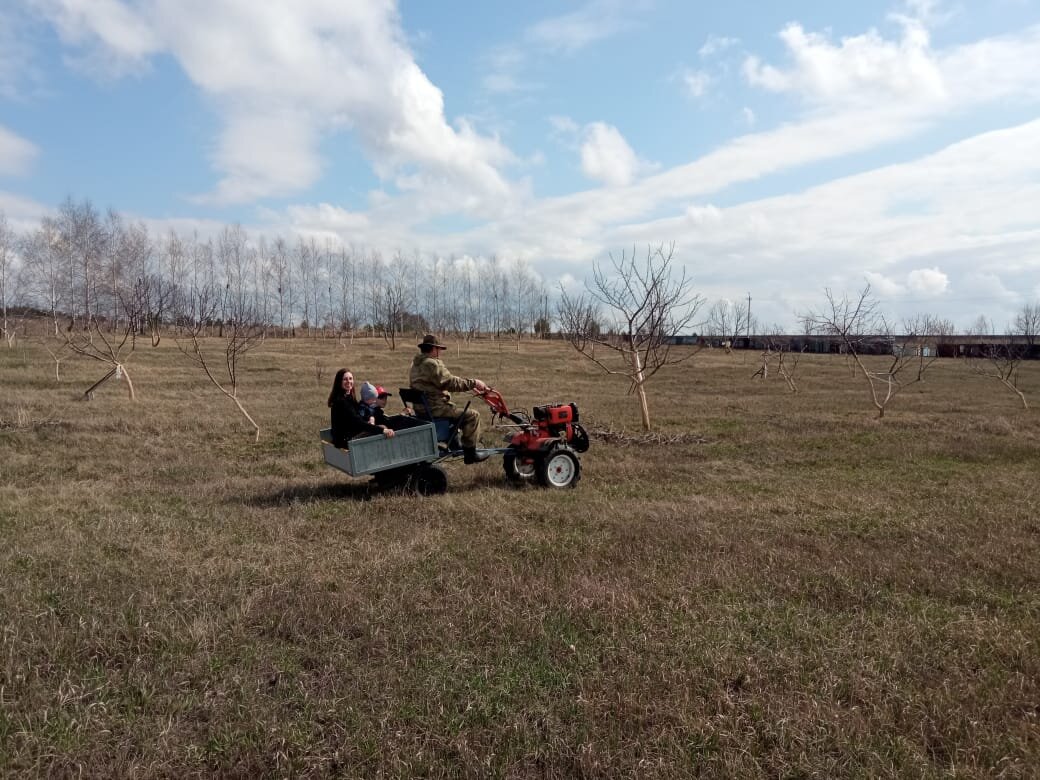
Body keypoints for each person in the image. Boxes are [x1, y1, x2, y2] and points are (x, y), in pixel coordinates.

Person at [409, 333, 490, 464]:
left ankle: (454, 444)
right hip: (435, 409)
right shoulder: (431, 364)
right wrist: (474, 383)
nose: (440, 352)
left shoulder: (416, 364)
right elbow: (450, 382)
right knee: (473, 416)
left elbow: (440, 381)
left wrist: (467, 386)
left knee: (453, 408)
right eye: (439, 349)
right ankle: (470, 453)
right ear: (433, 348)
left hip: (422, 409)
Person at [327, 368, 395, 448]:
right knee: (382, 428)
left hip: (349, 436)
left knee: (378, 427)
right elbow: (358, 422)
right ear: (339, 382)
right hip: (346, 441)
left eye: (350, 379)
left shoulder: (348, 398)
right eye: (345, 379)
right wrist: (383, 430)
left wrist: (370, 418)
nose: (348, 381)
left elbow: (359, 415)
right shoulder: (341, 402)